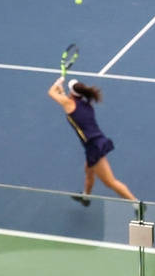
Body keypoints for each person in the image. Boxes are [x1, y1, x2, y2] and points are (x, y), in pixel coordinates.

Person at [48, 76, 137, 209]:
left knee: (110, 182)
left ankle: (136, 204)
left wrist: (58, 83)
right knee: (88, 171)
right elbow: (67, 102)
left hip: (93, 147)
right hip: (96, 142)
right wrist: (62, 92)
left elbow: (51, 92)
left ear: (72, 93)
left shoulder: (69, 103)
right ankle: (86, 197)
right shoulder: (86, 104)